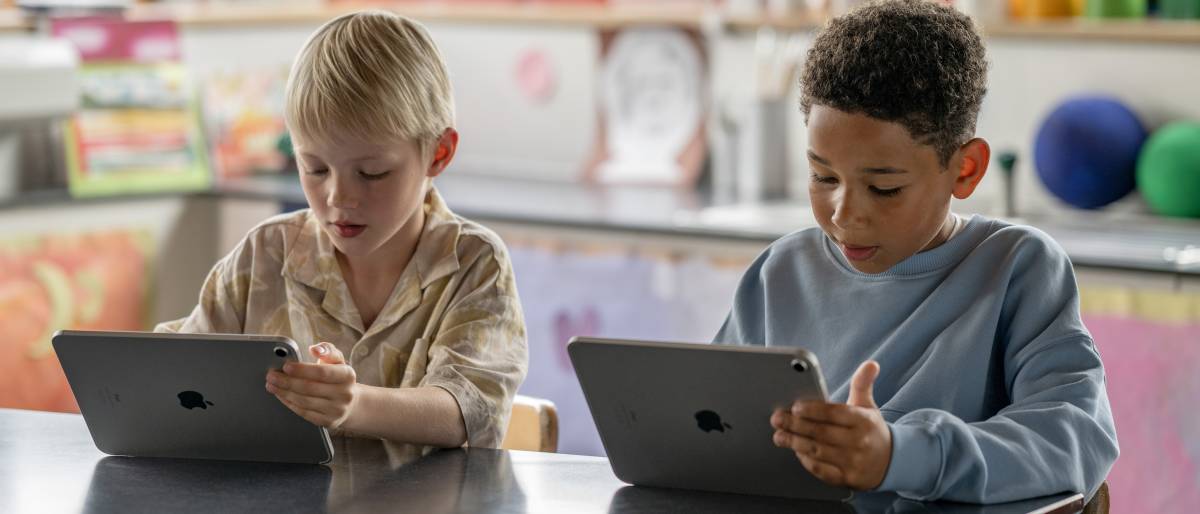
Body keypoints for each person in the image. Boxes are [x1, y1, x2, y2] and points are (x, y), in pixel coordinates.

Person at [714, 0, 1118, 503]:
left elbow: (1076, 437)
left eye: (884, 188)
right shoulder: (779, 273)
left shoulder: (1017, 268)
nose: (844, 214)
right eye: (823, 177)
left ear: (965, 170)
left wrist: (897, 456)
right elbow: (713, 427)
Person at [158, 11, 528, 450]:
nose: (338, 197)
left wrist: (353, 407)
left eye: (372, 173)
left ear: (438, 153)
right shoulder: (263, 256)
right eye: (314, 168)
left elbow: (467, 412)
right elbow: (177, 371)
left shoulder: (473, 263)